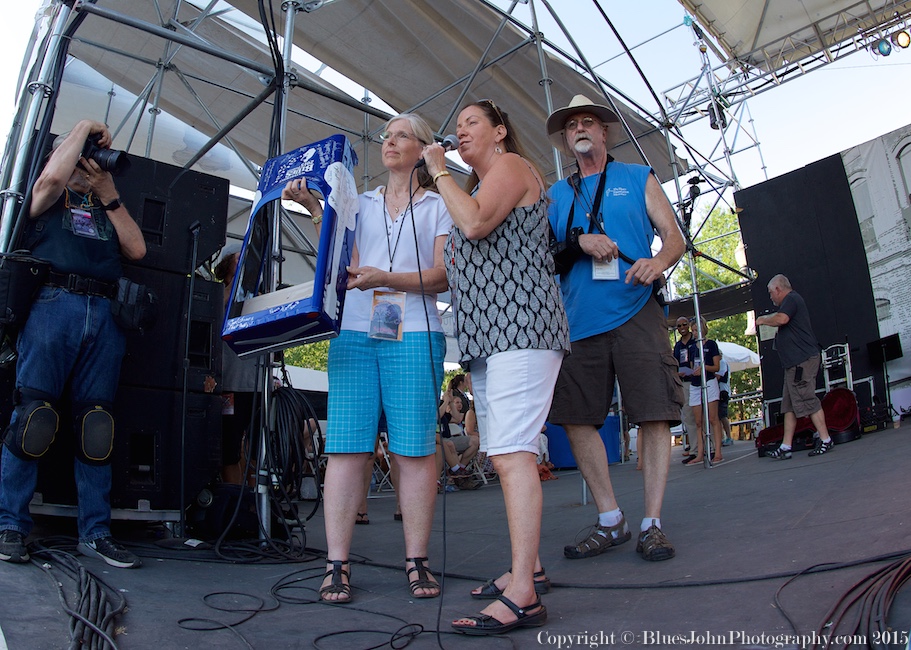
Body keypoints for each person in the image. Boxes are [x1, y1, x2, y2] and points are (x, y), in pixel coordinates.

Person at [282, 113, 452, 603]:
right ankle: (336, 564)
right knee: (347, 447)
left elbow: (442, 277)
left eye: (401, 135)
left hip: (416, 331)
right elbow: (341, 258)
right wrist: (315, 205)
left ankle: (416, 560)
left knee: (414, 449)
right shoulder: (360, 201)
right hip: (354, 330)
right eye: (386, 135)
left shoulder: (440, 206)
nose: (389, 142)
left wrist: (387, 279)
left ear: (423, 148)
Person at [422, 99, 568, 635]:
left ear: (500, 131)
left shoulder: (508, 168)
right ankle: (526, 569)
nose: (459, 132)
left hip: (521, 331)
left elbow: (479, 224)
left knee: (512, 455)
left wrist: (438, 171)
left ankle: (524, 596)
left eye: (471, 124)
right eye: (455, 126)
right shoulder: (476, 189)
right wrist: (379, 277)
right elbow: (446, 269)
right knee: (507, 452)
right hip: (492, 341)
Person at [544, 95, 685, 562]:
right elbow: (544, 256)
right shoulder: (554, 195)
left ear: (605, 132)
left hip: (636, 309)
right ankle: (611, 519)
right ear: (566, 140)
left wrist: (657, 262)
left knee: (654, 412)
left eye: (589, 122)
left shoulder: (637, 177)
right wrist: (578, 241)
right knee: (577, 418)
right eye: (572, 125)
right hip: (578, 321)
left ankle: (652, 522)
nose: (581, 128)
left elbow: (674, 237)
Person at [0, 120, 146, 568]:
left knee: (96, 426)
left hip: (104, 312)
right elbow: (49, 178)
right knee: (34, 416)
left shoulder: (104, 205)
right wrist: (81, 129)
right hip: (53, 302)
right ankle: (10, 524)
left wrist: (108, 192)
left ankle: (95, 532)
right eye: (79, 156)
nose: (86, 163)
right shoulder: (46, 196)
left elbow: (137, 250)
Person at [756, 274, 832, 458]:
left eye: (770, 293)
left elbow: (782, 319)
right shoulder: (790, 302)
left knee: (807, 399)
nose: (771, 297)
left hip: (802, 362)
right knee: (788, 406)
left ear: (778, 290)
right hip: (794, 364)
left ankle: (826, 439)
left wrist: (763, 320)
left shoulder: (791, 299)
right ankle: (786, 446)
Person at [213, 244, 261, 485]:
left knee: (255, 450)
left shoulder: (258, 297)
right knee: (230, 448)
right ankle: (234, 504)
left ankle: (252, 506)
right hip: (229, 384)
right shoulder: (218, 295)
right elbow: (215, 310)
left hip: (256, 385)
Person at [675, 317, 723, 465]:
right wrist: (688, 372)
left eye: (697, 330)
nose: (695, 333)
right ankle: (699, 452)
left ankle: (718, 451)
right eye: (694, 330)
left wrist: (704, 368)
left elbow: (717, 367)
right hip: (694, 383)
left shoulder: (712, 344)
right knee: (697, 421)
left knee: (713, 418)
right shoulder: (692, 347)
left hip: (708, 381)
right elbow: (691, 365)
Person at [717, 353, 734, 446]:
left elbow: (718, 376)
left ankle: (728, 436)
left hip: (723, 392)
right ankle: (722, 436)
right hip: (719, 391)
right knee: (718, 416)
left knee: (723, 415)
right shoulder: (720, 363)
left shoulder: (722, 363)